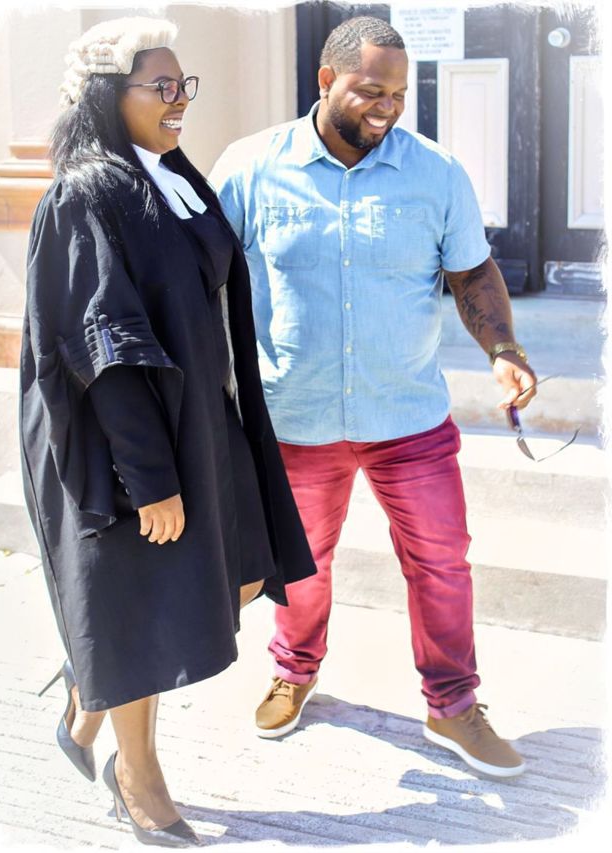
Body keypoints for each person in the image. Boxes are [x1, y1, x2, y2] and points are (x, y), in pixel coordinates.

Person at [210, 15, 537, 779]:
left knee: (442, 562)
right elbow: (201, 274)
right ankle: (293, 671)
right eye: (369, 91)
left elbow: (472, 272)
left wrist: (504, 350)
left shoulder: (436, 172)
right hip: (295, 417)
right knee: (301, 563)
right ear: (325, 80)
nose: (387, 107)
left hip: (407, 416)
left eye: (398, 93)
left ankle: (452, 703)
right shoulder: (251, 167)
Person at [21, 16, 315, 848]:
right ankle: (136, 775)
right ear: (108, 97)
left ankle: (87, 689)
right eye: (161, 86)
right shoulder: (85, 194)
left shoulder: (172, 177)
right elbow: (102, 349)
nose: (180, 99)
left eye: (185, 84)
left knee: (242, 571)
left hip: (197, 420)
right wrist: (148, 477)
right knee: (143, 604)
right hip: (120, 438)